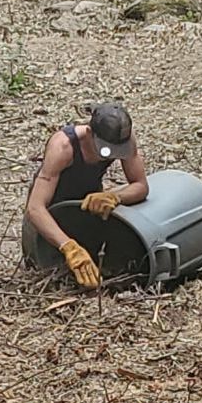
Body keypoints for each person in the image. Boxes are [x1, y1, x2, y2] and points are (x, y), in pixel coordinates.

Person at [24, 102, 149, 290]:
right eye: (105, 150)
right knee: (49, 277)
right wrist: (68, 247)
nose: (110, 156)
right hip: (50, 215)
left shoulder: (123, 140)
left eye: (116, 152)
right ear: (90, 133)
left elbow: (140, 186)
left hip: (85, 206)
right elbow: (35, 208)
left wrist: (114, 197)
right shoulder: (63, 147)